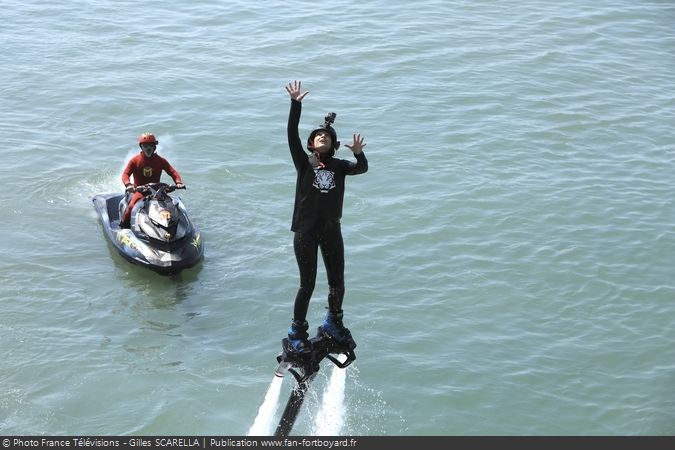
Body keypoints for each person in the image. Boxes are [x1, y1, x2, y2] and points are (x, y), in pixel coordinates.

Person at [284, 80, 368, 355]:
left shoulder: (340, 166)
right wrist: (296, 104)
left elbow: (361, 168)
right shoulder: (303, 162)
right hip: (306, 230)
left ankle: (333, 321)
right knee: (307, 283)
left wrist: (358, 153)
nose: (323, 138)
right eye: (318, 136)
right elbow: (291, 134)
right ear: (311, 144)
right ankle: (297, 331)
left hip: (332, 228)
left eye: (327, 137)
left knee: (337, 281)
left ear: (333, 144)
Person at [120, 133, 185, 228]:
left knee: (172, 204)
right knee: (131, 207)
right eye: (145, 145)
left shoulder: (161, 160)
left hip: (157, 190)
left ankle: (175, 227)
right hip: (140, 190)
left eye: (151, 145)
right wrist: (128, 185)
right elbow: (125, 174)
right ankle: (123, 226)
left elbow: (173, 172)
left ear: (155, 146)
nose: (148, 148)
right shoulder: (134, 161)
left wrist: (178, 182)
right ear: (141, 147)